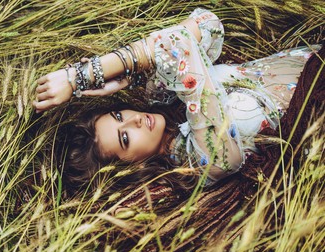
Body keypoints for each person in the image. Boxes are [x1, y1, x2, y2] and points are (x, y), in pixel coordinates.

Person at [32, 8, 322, 204]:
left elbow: (208, 24)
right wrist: (80, 76)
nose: (134, 121)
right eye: (124, 138)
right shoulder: (195, 165)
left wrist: (130, 78)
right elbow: (177, 44)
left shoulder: (166, 98)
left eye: (119, 114)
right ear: (132, 167)